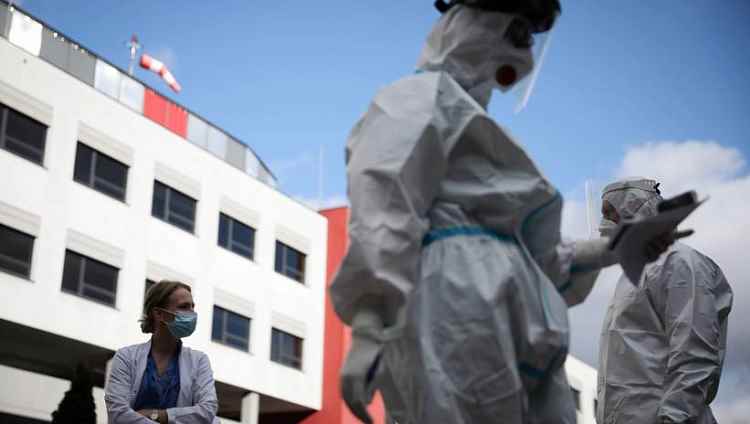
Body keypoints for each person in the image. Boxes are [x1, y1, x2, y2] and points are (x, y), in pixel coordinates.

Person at [329, 1, 677, 423]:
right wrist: (369, 323)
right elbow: (385, 203)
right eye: (519, 33)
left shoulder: (475, 126)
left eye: (530, 37)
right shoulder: (415, 98)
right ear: (478, 26)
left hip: (515, 320)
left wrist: (616, 248)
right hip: (453, 306)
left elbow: (539, 257)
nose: (525, 51)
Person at [597, 178, 733, 424]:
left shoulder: (679, 262)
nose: (603, 223)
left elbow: (695, 353)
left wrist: (675, 418)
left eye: (609, 213)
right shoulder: (632, 276)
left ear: (635, 208)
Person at [105, 280, 219, 423]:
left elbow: (207, 410)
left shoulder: (199, 360)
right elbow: (118, 413)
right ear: (159, 314)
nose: (192, 313)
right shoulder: (126, 357)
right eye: (184, 307)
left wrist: (157, 415)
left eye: (192, 307)